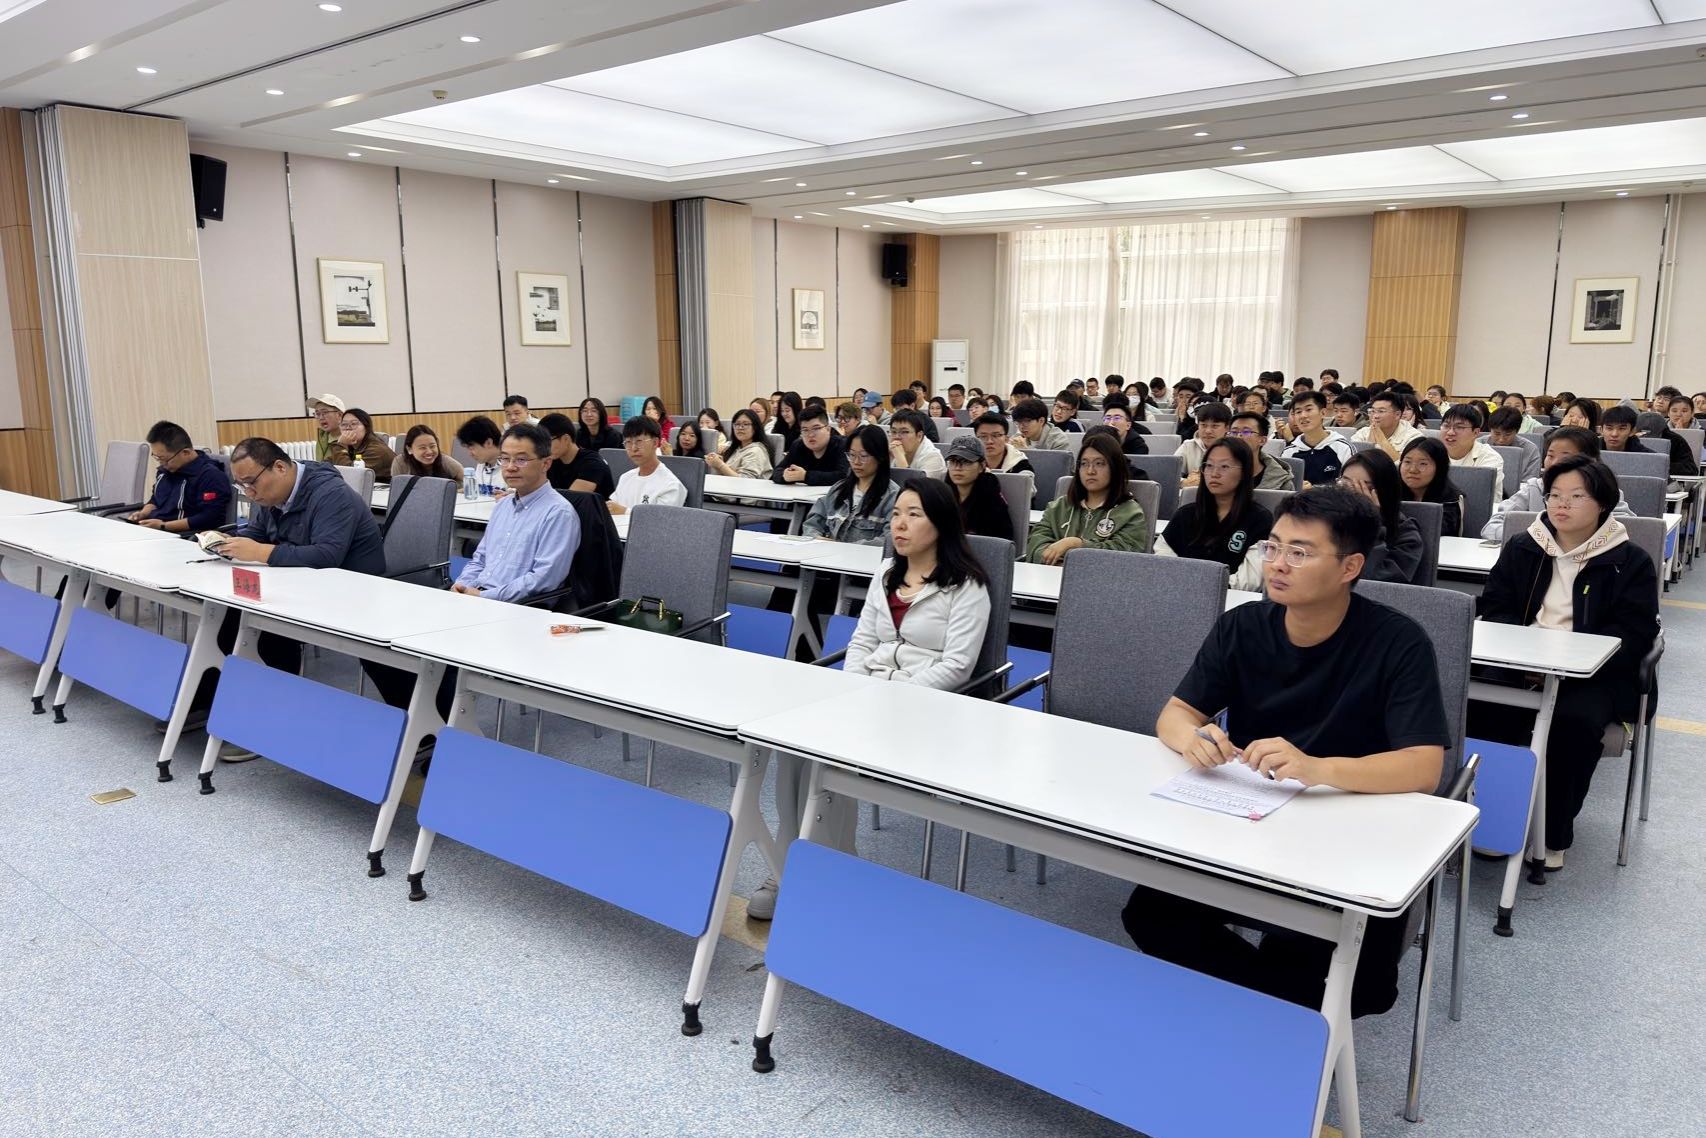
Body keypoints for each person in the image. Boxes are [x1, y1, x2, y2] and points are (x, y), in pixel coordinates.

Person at [1123, 486, 1449, 1019]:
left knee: (1363, 987)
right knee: (1151, 914)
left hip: (1353, 833)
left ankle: (1269, 1017)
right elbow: (1176, 715)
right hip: (1252, 822)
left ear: (1350, 567)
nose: (1277, 564)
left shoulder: (1399, 642)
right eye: (1272, 546)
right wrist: (1194, 740)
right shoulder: (1243, 625)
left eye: (1300, 552)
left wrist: (1317, 768)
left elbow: (1424, 766)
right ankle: (1274, 1016)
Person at [1474, 457, 1659, 869]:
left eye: (1576, 496)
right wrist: (1525, 658)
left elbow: (1634, 633)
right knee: (1482, 707)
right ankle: (1495, 822)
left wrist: (1570, 663)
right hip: (1520, 664)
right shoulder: (1524, 546)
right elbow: (1496, 607)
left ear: (1602, 503)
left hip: (1593, 676)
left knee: (1572, 723)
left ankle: (1552, 835)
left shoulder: (1629, 561)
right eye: (1555, 495)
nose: (1562, 504)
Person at [199, 438, 390, 758]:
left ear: (280, 467)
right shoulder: (271, 495)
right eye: (241, 485)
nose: (249, 493)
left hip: (353, 593)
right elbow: (258, 535)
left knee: (265, 626)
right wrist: (229, 543)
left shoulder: (331, 494)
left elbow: (327, 555)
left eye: (251, 482)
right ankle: (209, 705)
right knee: (228, 616)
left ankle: (273, 723)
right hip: (300, 587)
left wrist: (261, 552)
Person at [453, 424, 580, 601]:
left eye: (521, 460)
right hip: (478, 597)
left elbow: (543, 579)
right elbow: (480, 559)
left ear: (546, 463)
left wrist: (485, 596)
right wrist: (460, 586)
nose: (510, 467)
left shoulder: (558, 513)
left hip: (518, 606)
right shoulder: (502, 506)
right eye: (505, 459)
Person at [1482, 426, 1635, 540]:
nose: (1554, 463)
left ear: (1591, 461)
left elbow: (1632, 530)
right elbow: (1491, 527)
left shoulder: (1603, 490)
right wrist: (1538, 537)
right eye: (1550, 455)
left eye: (1565, 457)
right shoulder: (1534, 488)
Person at [1156, 439, 1272, 590]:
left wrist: (1204, 588)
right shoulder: (1185, 514)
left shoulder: (1260, 519)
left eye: (1224, 466)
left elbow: (1250, 580)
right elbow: (1163, 559)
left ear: (1245, 472)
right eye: (1209, 466)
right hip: (1180, 593)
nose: (1214, 474)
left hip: (1230, 598)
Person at [1026, 431, 1148, 563]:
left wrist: (1076, 544)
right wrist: (1058, 563)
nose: (1090, 471)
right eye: (1084, 464)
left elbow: (1124, 556)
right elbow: (1035, 543)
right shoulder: (1058, 507)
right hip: (1052, 574)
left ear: (1115, 467)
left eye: (1099, 463)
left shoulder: (1130, 513)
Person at [802, 424, 899, 545]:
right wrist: (816, 538)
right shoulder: (838, 490)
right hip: (828, 555)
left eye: (863, 456)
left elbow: (890, 540)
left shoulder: (892, 497)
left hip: (864, 557)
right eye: (852, 455)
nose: (856, 462)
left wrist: (847, 548)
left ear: (880, 457)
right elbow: (811, 524)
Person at [128, 421, 230, 533]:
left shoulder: (211, 476)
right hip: (157, 530)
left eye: (164, 459)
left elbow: (210, 518)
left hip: (183, 535)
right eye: (157, 458)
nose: (162, 464)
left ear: (185, 453)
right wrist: (143, 514)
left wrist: (164, 526)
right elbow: (156, 499)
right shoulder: (166, 471)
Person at [1339, 450, 1423, 583]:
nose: (1348, 494)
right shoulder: (1324, 521)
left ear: (1384, 492)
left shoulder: (1407, 535)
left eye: (1362, 487)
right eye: (1344, 484)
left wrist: (1371, 525)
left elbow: (1374, 584)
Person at [608, 416, 685, 514]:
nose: (634, 448)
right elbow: (613, 509)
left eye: (639, 441)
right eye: (628, 442)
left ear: (655, 443)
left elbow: (661, 520)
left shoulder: (671, 486)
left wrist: (625, 512)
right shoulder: (625, 478)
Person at [943, 435, 1013, 542]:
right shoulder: (943, 494)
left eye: (966, 462)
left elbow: (1000, 542)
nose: (957, 468)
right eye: (953, 461)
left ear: (981, 466)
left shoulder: (991, 499)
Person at [1282, 392, 1354, 486]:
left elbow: (1350, 487)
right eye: (1298, 412)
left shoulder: (1343, 448)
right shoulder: (1288, 452)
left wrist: (1314, 490)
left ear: (1323, 413)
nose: (1303, 415)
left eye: (1308, 409)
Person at [1398, 437, 1464, 537]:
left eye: (1423, 464)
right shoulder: (1391, 490)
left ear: (1439, 468)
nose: (1413, 470)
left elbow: (1433, 533)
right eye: (1407, 462)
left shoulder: (1451, 499)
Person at [538, 412, 614, 498]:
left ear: (566, 439)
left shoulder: (592, 463)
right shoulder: (552, 460)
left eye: (547, 442)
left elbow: (572, 500)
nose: (544, 447)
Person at [1439, 402, 1504, 499]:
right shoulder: (1433, 453)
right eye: (1446, 426)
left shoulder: (1490, 457)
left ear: (1476, 432)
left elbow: (1475, 492)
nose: (1450, 432)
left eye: (1459, 427)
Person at [772, 403, 848, 485]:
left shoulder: (842, 445)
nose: (810, 435)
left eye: (816, 428)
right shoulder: (798, 446)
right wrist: (785, 475)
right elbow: (777, 471)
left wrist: (805, 476)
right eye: (805, 430)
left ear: (828, 429)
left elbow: (844, 476)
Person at [324, 407, 396, 482]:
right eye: (344, 424)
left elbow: (350, 475)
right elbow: (326, 465)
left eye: (353, 424)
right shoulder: (350, 446)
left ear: (366, 428)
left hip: (385, 488)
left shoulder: (377, 450)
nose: (348, 428)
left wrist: (340, 445)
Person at [1227, 411, 1294, 490]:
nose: (1238, 436)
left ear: (1262, 440)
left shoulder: (1281, 481)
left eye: (1246, 432)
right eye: (1234, 432)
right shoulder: (1216, 473)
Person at [705, 408, 774, 480]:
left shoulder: (756, 451)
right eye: (737, 424)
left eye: (745, 424)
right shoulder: (737, 448)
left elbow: (746, 481)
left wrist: (720, 465)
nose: (740, 428)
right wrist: (717, 464)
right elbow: (728, 476)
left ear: (755, 427)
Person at [1352, 391, 1422, 460]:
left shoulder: (1414, 437)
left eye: (1381, 411)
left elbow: (1401, 464)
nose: (1375, 416)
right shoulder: (1363, 432)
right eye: (1373, 411)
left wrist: (1381, 438)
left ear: (1397, 414)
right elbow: (1352, 458)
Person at [1634, 411, 1700, 478]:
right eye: (1641, 435)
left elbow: (1691, 470)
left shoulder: (1675, 440)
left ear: (1663, 431)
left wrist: (1661, 466)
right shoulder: (1631, 439)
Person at [392, 425, 465, 483]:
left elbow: (469, 481)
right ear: (409, 449)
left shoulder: (446, 461)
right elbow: (397, 489)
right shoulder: (400, 463)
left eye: (432, 446)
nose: (429, 452)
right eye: (422, 448)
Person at [1178, 402, 1230, 482]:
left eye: (1215, 426)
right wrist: (1184, 482)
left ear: (1227, 428)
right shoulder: (1188, 446)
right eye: (1203, 425)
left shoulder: (1235, 448)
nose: (1208, 431)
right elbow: (1170, 473)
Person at [1487, 406, 1542, 481]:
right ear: (1490, 429)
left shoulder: (1530, 450)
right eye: (1497, 433)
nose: (1501, 439)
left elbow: (1530, 482)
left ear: (1517, 431)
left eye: (1507, 434)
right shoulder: (1479, 444)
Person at [455, 416, 506, 497]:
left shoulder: (509, 466)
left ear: (488, 443)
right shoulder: (481, 465)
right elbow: (474, 489)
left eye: (472, 447)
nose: (470, 454)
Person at [889, 409, 945, 477]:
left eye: (904, 432)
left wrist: (900, 459)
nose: (897, 437)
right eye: (894, 432)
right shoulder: (891, 451)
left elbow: (914, 484)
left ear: (919, 436)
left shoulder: (933, 458)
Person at [307, 393, 344, 461]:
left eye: (325, 412)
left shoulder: (350, 439)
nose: (321, 418)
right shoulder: (322, 437)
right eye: (317, 414)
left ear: (339, 415)